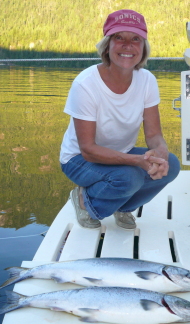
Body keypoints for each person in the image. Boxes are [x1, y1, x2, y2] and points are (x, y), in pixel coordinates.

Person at [60, 9, 180, 230]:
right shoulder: (85, 84)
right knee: (129, 177)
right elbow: (88, 149)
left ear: (143, 47)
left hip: (119, 154)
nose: (128, 45)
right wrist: (137, 161)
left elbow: (153, 135)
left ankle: (122, 207)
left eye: (135, 39)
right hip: (78, 160)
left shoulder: (147, 80)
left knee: (171, 165)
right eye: (119, 38)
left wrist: (160, 154)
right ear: (107, 46)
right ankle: (85, 202)